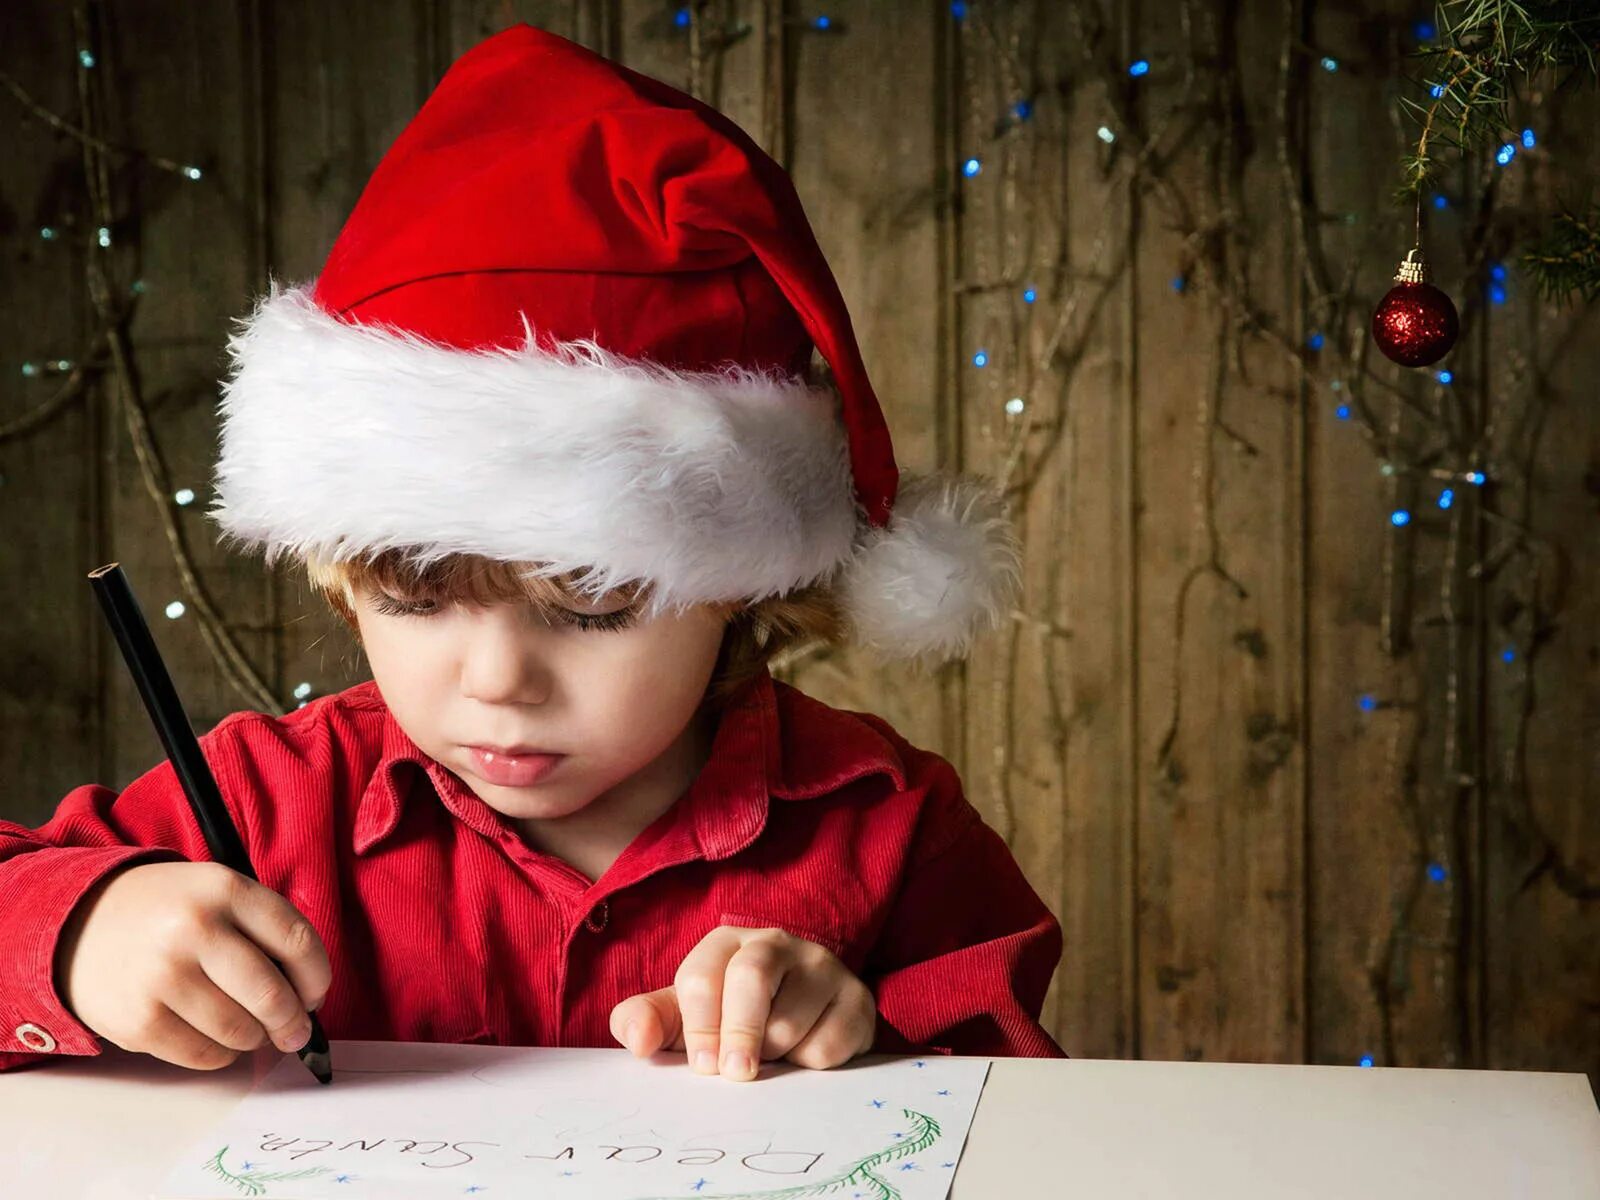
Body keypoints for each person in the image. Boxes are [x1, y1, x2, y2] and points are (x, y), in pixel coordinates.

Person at [0, 23, 1064, 1080]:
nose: (499, 682)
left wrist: (868, 1043)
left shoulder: (889, 826)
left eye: (591, 605)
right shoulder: (265, 799)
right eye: (416, 597)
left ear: (739, 588)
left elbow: (1029, 1107)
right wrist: (82, 931)